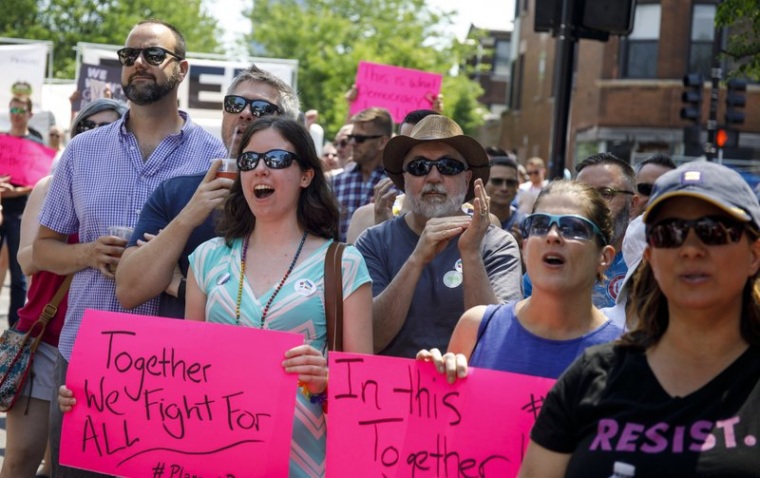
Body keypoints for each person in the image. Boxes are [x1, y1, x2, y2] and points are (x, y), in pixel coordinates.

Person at [34, 19, 226, 476]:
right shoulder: (83, 151)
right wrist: (88, 254)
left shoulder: (212, 156)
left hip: (172, 365)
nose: (138, 63)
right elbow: (42, 251)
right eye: (129, 56)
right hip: (85, 353)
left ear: (182, 69)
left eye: (153, 55)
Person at [520, 160, 760, 476]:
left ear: (754, 254)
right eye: (669, 232)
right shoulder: (591, 376)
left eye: (712, 231)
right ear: (650, 257)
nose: (690, 249)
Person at [185, 117, 373, 476]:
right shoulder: (208, 258)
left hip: (307, 465)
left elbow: (365, 387)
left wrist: (328, 380)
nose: (259, 170)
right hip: (215, 460)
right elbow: (182, 375)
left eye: (275, 160)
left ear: (306, 175)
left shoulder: (343, 264)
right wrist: (94, 399)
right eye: (249, 160)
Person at [116, 64, 299, 318]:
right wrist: (188, 216)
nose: (245, 113)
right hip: (184, 355)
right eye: (235, 104)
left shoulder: (299, 199)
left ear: (287, 126)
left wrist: (181, 287)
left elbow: (293, 299)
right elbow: (128, 291)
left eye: (262, 109)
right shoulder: (176, 192)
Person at [4, 100, 126, 478]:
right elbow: (27, 260)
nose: (94, 135)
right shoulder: (51, 184)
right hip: (46, 337)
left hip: (99, 349)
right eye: (86, 127)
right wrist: (88, 253)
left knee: (63, 464)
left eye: (106, 128)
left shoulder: (129, 196)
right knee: (22, 457)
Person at [417, 180, 622, 382]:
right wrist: (437, 380)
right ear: (525, 248)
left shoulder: (626, 354)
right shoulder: (476, 327)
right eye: (539, 225)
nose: (552, 236)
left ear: (604, 257)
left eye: (572, 228)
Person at [355, 115, 523, 357]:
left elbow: (498, 344)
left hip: (469, 388)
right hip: (390, 388)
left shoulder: (497, 244)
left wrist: (471, 253)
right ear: (404, 178)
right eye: (419, 167)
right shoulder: (373, 242)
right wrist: (416, 259)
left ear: (467, 179)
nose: (433, 177)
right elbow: (369, 340)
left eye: (448, 167)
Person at [345, 109, 440, 243]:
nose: (415, 156)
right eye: (405, 148)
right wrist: (383, 230)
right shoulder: (367, 217)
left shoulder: (472, 223)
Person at [0, 95, 41, 327]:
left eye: (21, 110)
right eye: (13, 110)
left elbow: (38, 181)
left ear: (29, 114)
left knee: (19, 273)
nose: (16, 115)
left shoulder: (36, 142)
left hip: (19, 214)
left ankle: (16, 326)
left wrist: (12, 192)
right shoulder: (2, 139)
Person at [331, 107, 393, 241]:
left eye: (359, 138)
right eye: (350, 137)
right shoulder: (336, 182)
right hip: (338, 261)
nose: (352, 143)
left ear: (382, 142)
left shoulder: (397, 185)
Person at [486, 155, 526, 233]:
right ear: (484, 183)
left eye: (510, 182)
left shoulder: (526, 225)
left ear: (517, 186)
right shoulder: (469, 222)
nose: (504, 188)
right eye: (497, 181)